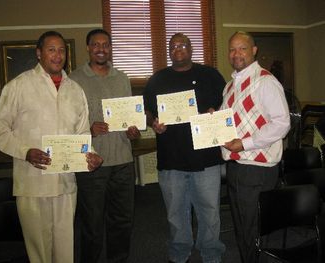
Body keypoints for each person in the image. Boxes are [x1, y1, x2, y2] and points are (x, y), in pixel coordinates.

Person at [0, 31, 103, 263]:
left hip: (65, 183)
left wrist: (91, 156)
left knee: (65, 250)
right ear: (39, 53)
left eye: (61, 50)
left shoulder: (74, 90)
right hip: (33, 182)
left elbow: (81, 134)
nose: (57, 55)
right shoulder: (18, 86)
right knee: (39, 252)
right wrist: (25, 152)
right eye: (51, 49)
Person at [143, 33, 226, 263]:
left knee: (210, 211)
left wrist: (215, 112)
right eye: (173, 46)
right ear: (169, 51)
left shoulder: (209, 74)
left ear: (191, 48)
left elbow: (227, 101)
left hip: (206, 158)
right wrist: (153, 122)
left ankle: (211, 254)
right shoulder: (157, 79)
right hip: (171, 159)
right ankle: (179, 253)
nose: (178, 48)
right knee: (175, 214)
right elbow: (147, 110)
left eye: (183, 44)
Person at [69, 29, 140, 263]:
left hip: (122, 161)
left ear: (111, 48)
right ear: (88, 48)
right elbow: (67, 121)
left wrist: (132, 131)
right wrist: (89, 130)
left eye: (106, 45)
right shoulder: (74, 79)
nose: (101, 49)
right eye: (96, 44)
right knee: (92, 223)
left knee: (122, 220)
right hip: (92, 162)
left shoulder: (122, 78)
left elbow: (130, 119)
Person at [220, 31, 290, 263]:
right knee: (242, 226)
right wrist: (214, 119)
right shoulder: (230, 86)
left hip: (256, 168)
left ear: (254, 50)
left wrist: (245, 143)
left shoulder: (265, 81)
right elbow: (229, 120)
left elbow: (281, 123)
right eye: (232, 49)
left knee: (253, 229)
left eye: (242, 48)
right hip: (236, 165)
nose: (236, 54)